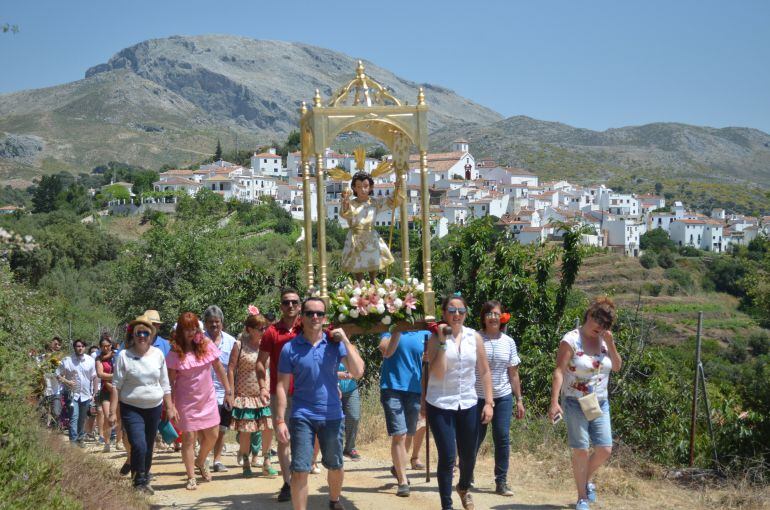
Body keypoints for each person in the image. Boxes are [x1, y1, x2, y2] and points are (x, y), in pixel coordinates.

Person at [274, 297, 365, 510]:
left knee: (335, 465)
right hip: (302, 415)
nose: (315, 317)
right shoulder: (290, 348)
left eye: (320, 313)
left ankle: (334, 500)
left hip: (332, 415)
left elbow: (358, 372)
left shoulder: (334, 345)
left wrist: (345, 341)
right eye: (310, 313)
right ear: (301, 317)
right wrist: (279, 420)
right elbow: (281, 386)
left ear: (325, 318)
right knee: (300, 469)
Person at [548, 297, 622, 510]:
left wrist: (610, 343)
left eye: (605, 325)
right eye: (598, 321)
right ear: (589, 315)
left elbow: (616, 367)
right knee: (580, 449)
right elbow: (559, 371)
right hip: (574, 401)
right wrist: (554, 402)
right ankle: (582, 497)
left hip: (599, 401)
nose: (600, 327)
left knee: (605, 448)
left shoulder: (605, 341)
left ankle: (585, 479)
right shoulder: (571, 339)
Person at [425, 295, 494, 510]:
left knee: (468, 455)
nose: (457, 315)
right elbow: (437, 371)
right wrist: (444, 342)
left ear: (466, 314)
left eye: (461, 311)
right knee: (447, 456)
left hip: (468, 403)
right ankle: (447, 505)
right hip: (440, 403)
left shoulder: (475, 337)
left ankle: (463, 487)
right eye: (452, 310)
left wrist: (489, 402)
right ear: (444, 313)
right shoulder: (434, 338)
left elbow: (484, 370)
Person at [166, 312, 234, 490]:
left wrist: (228, 391)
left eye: (193, 328)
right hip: (185, 401)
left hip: (207, 399)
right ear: (180, 330)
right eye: (186, 329)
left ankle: (201, 461)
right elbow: (170, 381)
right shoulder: (175, 351)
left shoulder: (206, 344)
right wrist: (171, 405)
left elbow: (219, 368)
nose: (190, 332)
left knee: (213, 435)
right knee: (188, 438)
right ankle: (191, 477)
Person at [109, 315, 176, 495]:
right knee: (138, 444)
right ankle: (138, 481)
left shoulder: (158, 354)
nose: (142, 336)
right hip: (131, 407)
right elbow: (116, 385)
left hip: (154, 406)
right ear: (133, 334)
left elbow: (165, 383)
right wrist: (112, 412)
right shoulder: (124, 355)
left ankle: (144, 477)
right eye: (139, 332)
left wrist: (169, 406)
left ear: (151, 335)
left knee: (148, 444)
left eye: (146, 332)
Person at [473, 301, 525, 497]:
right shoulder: (475, 339)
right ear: (484, 317)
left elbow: (513, 373)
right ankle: (467, 476)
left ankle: (501, 481)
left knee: (502, 437)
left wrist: (519, 399)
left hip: (503, 397)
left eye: (496, 313)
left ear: (502, 317)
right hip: (477, 397)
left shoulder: (509, 342)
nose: (493, 317)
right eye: (489, 314)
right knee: (474, 438)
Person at [258, 288, 302, 502]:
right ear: (281, 306)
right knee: (284, 439)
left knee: (302, 439)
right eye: (286, 302)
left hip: (305, 392)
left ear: (300, 305)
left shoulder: (308, 326)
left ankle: (298, 479)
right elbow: (260, 362)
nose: (290, 306)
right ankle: (287, 482)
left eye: (294, 302)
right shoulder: (271, 332)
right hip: (280, 393)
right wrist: (263, 386)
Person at [377, 329, 429, 497]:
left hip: (414, 390)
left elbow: (433, 360)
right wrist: (397, 330)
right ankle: (403, 481)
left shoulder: (425, 333)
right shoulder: (390, 330)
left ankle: (397, 467)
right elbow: (384, 349)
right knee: (399, 434)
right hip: (391, 388)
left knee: (408, 433)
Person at [228, 312, 278, 478]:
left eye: (265, 327)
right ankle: (245, 461)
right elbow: (231, 369)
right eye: (260, 328)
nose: (263, 331)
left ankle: (267, 462)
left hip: (264, 394)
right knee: (246, 430)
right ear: (249, 329)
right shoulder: (239, 345)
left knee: (268, 428)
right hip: (245, 395)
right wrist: (231, 392)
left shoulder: (267, 345)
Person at [339, 171, 404, 282]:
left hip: (370, 235)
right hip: (356, 236)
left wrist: (397, 189)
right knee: (358, 263)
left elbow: (390, 202)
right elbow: (345, 213)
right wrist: (345, 203)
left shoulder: (375, 203)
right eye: (359, 187)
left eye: (365, 186)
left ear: (371, 187)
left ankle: (373, 283)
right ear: (354, 188)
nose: (363, 190)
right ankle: (359, 286)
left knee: (373, 260)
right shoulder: (351, 204)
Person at [203, 305, 237, 473]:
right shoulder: (199, 340)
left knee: (222, 428)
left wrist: (230, 392)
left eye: (217, 322)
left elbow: (232, 369)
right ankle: (204, 458)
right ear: (205, 323)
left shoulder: (231, 342)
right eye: (210, 322)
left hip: (225, 391)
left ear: (222, 323)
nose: (214, 326)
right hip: (204, 392)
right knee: (207, 428)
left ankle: (217, 460)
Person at [57, 339, 98, 446]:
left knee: (82, 418)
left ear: (85, 347)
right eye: (77, 346)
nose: (80, 348)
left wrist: (94, 392)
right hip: (72, 394)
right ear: (74, 347)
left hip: (85, 394)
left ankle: (80, 438)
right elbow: (58, 375)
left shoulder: (90, 360)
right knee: (74, 417)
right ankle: (73, 442)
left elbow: (94, 377)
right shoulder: (67, 360)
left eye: (82, 346)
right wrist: (67, 381)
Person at [96, 336, 120, 452]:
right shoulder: (98, 359)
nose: (106, 348)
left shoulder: (117, 356)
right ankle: (107, 442)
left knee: (119, 417)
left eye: (108, 345)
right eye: (104, 346)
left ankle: (118, 442)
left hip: (119, 389)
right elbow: (100, 374)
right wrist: (114, 376)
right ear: (100, 347)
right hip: (106, 390)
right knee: (107, 416)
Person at [337, 362, 361, 462]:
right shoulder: (326, 348)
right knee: (337, 421)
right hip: (331, 388)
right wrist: (341, 374)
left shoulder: (352, 349)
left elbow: (359, 369)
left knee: (354, 417)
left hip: (351, 389)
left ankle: (349, 448)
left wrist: (356, 372)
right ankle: (336, 450)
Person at [40, 337, 64, 429]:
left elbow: (63, 373)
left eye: (59, 344)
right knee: (43, 415)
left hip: (56, 390)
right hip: (43, 390)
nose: (57, 346)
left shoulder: (61, 360)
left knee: (56, 412)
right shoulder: (41, 358)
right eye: (55, 344)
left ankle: (55, 433)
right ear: (50, 344)